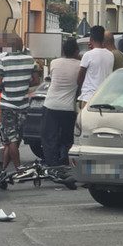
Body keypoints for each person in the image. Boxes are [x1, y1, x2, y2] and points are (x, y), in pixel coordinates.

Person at [0, 33, 40, 173]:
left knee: (11, 140)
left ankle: (18, 170)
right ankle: (3, 170)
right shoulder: (30, 60)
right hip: (23, 106)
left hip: (7, 105)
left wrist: (8, 86)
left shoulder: (4, 61)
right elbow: (36, 81)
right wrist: (24, 84)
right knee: (15, 140)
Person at [41, 38, 80, 167]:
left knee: (49, 138)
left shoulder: (54, 63)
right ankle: (65, 163)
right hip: (68, 108)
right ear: (76, 50)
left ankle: (52, 165)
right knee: (68, 138)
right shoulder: (80, 65)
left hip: (51, 105)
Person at [77, 25, 114, 110]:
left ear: (90, 39)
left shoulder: (88, 55)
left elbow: (80, 79)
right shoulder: (110, 55)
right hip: (104, 97)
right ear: (103, 39)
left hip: (89, 97)